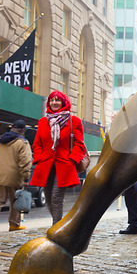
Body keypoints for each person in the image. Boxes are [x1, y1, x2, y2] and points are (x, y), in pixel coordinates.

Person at [30, 91, 87, 225]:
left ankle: (56, 228)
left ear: (64, 103)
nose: (54, 103)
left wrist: (72, 159)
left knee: (56, 197)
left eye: (58, 100)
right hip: (46, 165)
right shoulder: (43, 121)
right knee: (48, 197)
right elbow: (37, 144)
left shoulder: (74, 121)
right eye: (51, 100)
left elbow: (80, 144)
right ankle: (60, 224)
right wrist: (39, 158)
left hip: (64, 164)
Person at [0, 120, 32, 231]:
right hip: (14, 176)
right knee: (16, 201)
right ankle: (14, 224)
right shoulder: (22, 142)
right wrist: (26, 177)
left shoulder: (0, 140)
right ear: (22, 130)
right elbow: (25, 161)